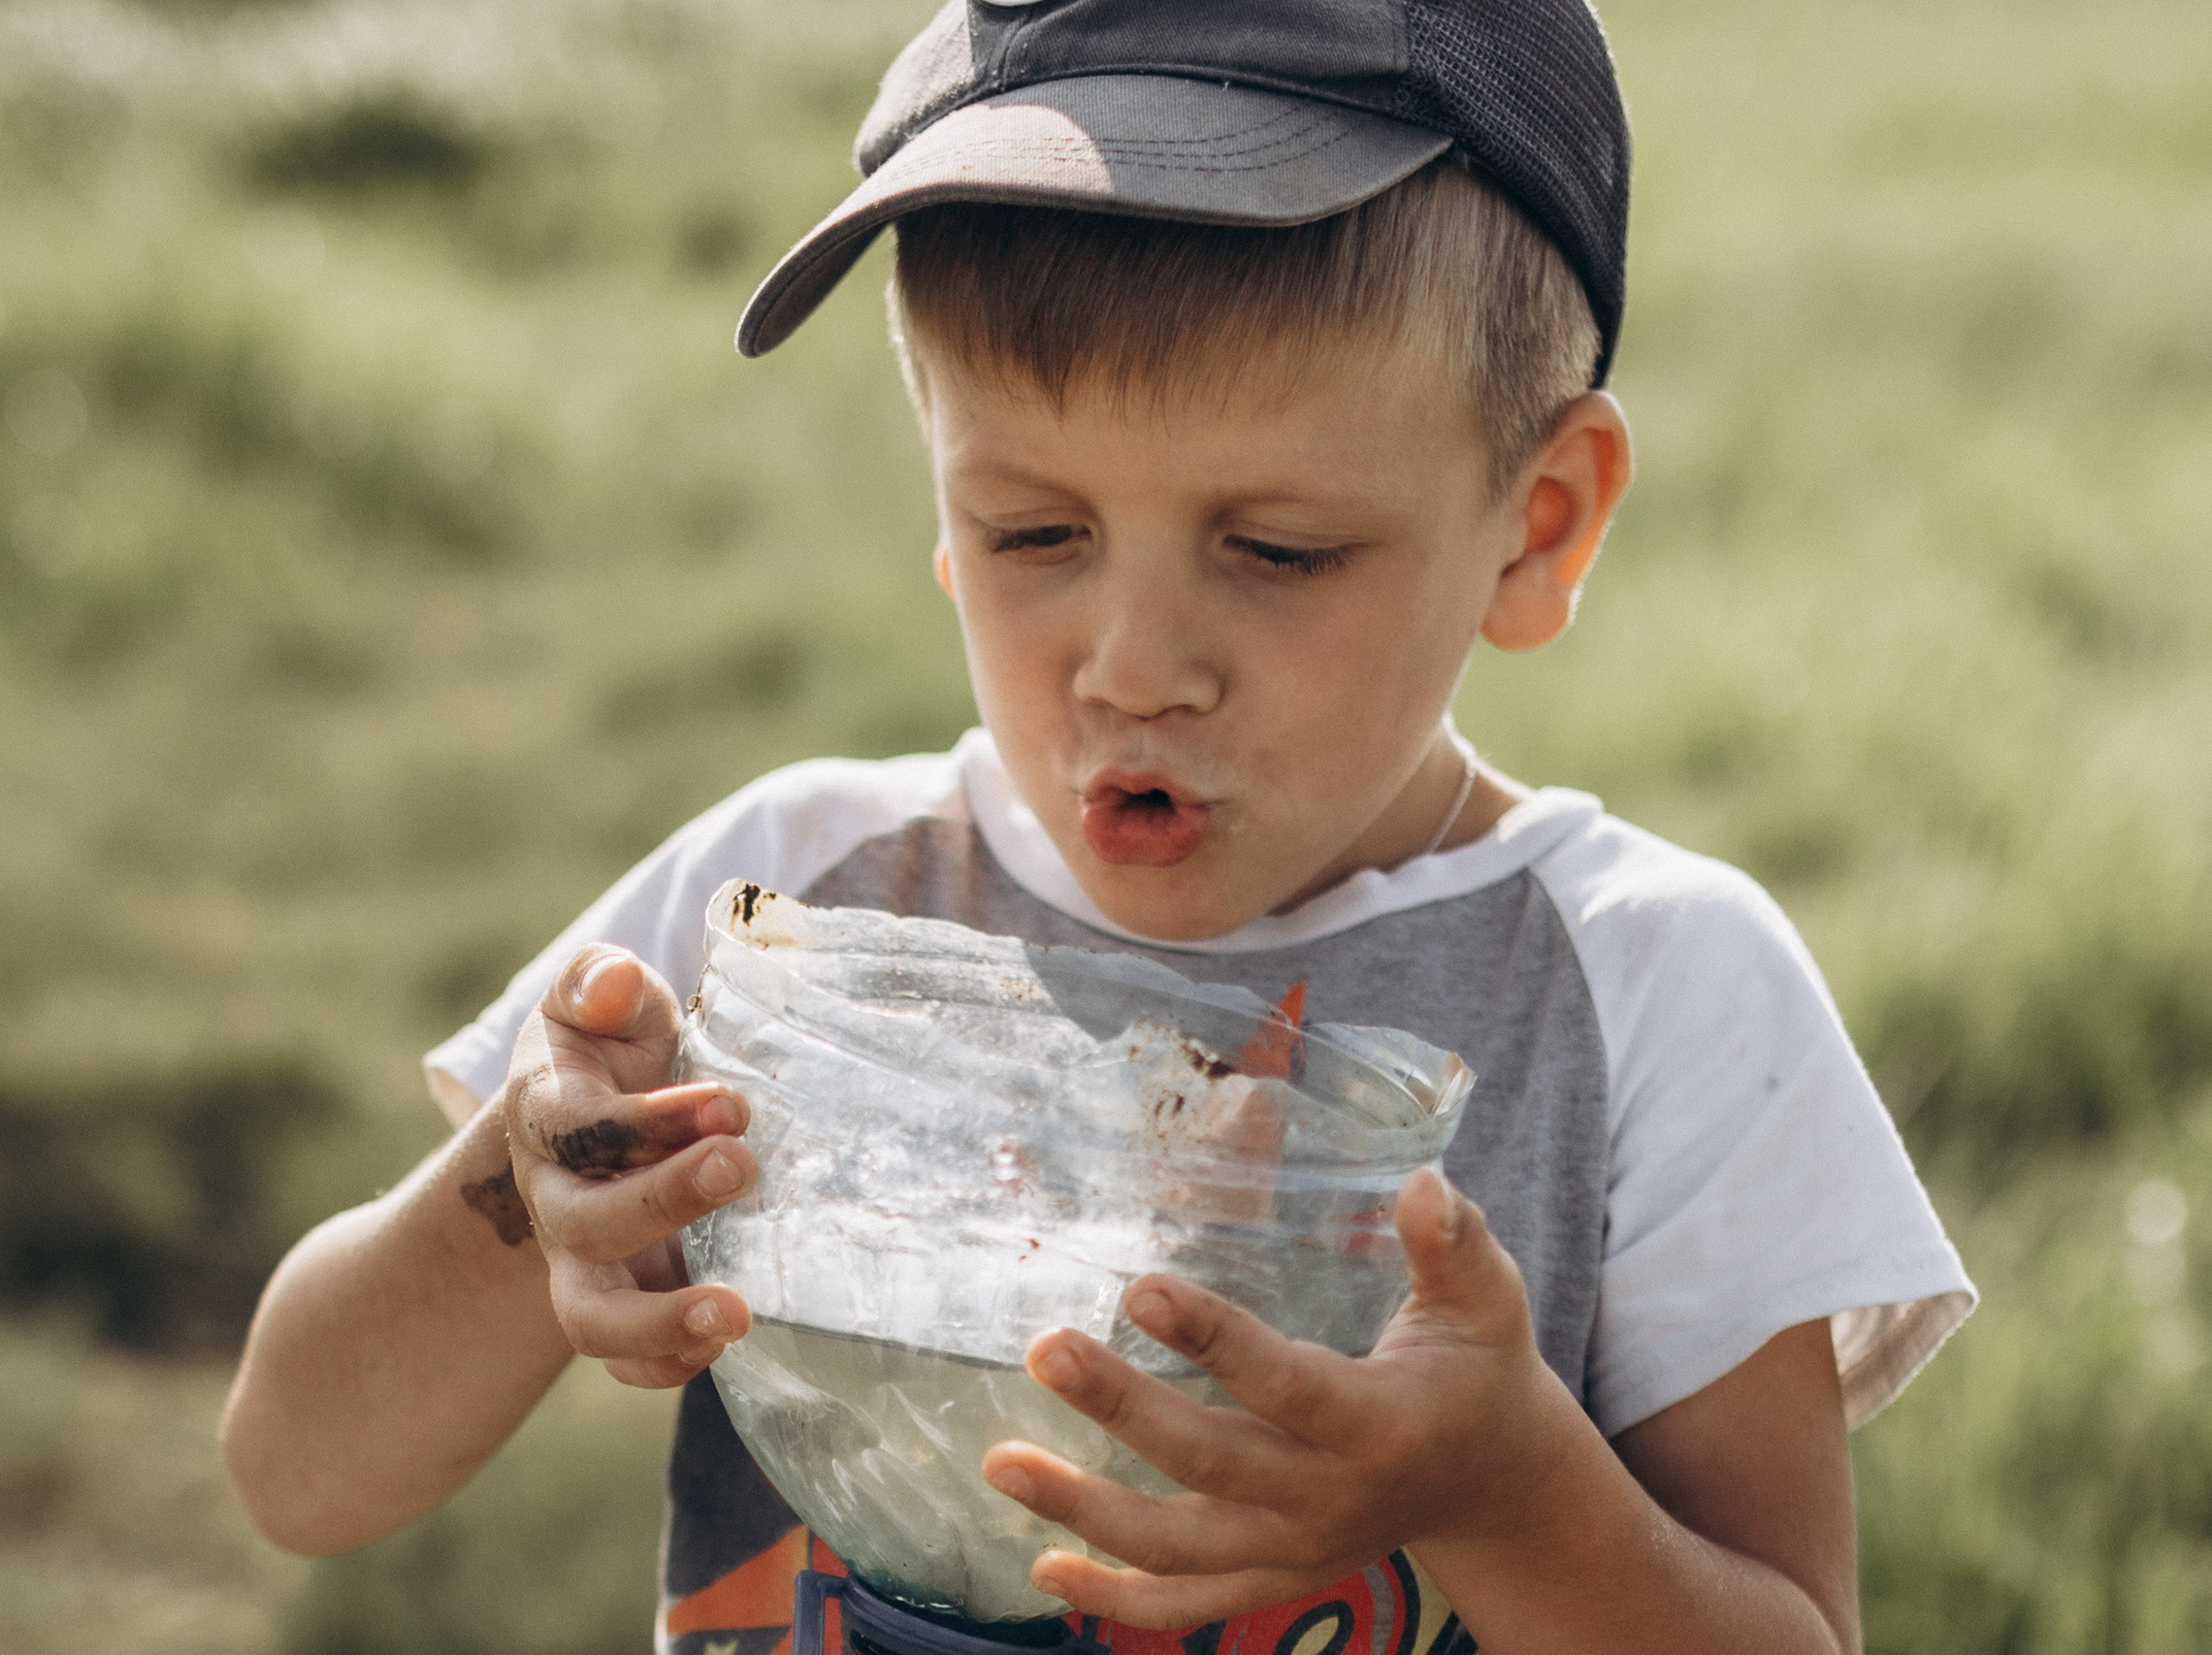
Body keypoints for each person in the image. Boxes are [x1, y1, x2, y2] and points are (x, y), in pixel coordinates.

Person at [222, 3, 1975, 1651]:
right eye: (1032, 531)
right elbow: (297, 1467)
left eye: (1278, 549)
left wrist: (1507, 1488)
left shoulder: (1652, 989)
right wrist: (539, 1182)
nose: (1133, 668)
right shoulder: (785, 914)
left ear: (1538, 525)